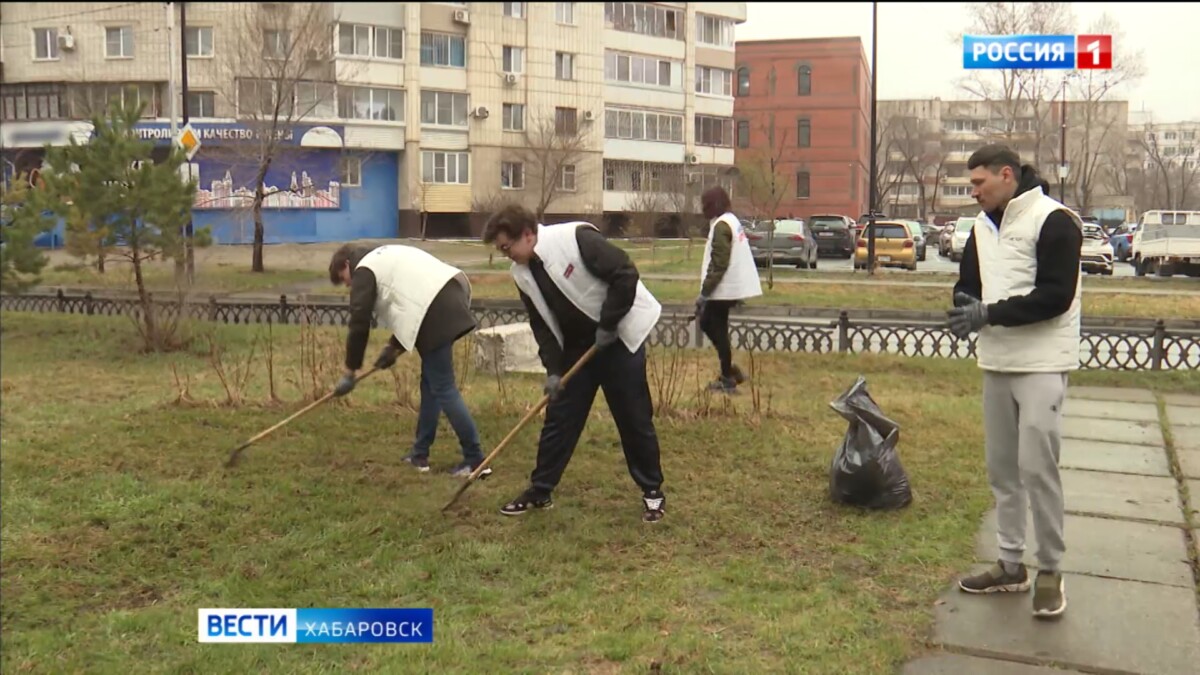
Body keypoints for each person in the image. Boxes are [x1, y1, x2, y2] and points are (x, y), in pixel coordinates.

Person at [947, 144, 1083, 619]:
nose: (974, 192)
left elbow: (1055, 296)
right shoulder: (982, 227)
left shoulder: (1055, 219)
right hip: (997, 362)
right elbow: (970, 281)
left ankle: (1050, 570)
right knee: (1002, 470)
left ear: (1007, 175)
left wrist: (989, 313)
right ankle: (1010, 564)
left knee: (1037, 468)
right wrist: (965, 303)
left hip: (1043, 362)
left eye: (980, 183)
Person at [481, 205, 667, 523]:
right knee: (560, 420)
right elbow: (542, 325)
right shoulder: (522, 274)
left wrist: (609, 325)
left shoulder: (575, 239)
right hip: (577, 346)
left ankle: (652, 492)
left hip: (619, 336)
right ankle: (540, 491)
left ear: (526, 235)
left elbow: (625, 273)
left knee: (633, 417)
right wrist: (553, 370)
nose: (505, 254)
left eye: (506, 247)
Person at [328, 243, 491, 479]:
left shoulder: (364, 269)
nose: (349, 285)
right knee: (431, 384)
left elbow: (359, 321)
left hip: (435, 311)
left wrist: (350, 370)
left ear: (346, 265)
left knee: (444, 387)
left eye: (345, 279)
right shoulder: (384, 257)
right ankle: (420, 454)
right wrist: (393, 348)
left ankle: (476, 460)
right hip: (449, 298)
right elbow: (413, 304)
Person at [695, 186, 763, 393]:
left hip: (723, 289)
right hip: (731, 287)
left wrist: (705, 293)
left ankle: (727, 376)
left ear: (712, 205)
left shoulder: (722, 226)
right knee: (713, 325)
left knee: (711, 325)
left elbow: (719, 263)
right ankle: (730, 370)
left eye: (705, 205)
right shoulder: (731, 221)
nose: (702, 209)